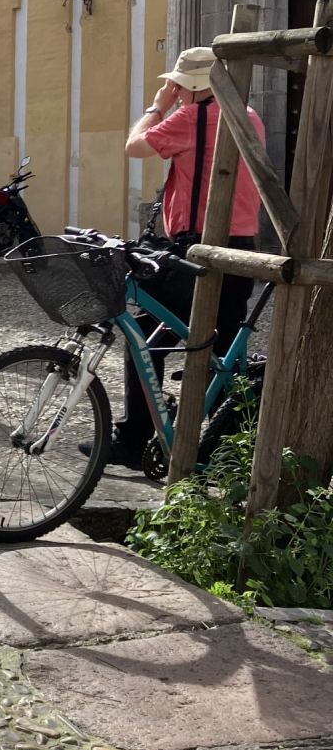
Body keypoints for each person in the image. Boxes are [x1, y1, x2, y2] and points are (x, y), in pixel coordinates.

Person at [105, 45, 266, 468]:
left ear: (186, 87)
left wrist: (157, 105)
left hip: (198, 248)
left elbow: (134, 147)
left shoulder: (191, 116)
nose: (173, 92)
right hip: (242, 246)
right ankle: (228, 447)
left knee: (144, 337)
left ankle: (135, 439)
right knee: (224, 342)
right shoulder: (249, 115)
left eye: (176, 86)